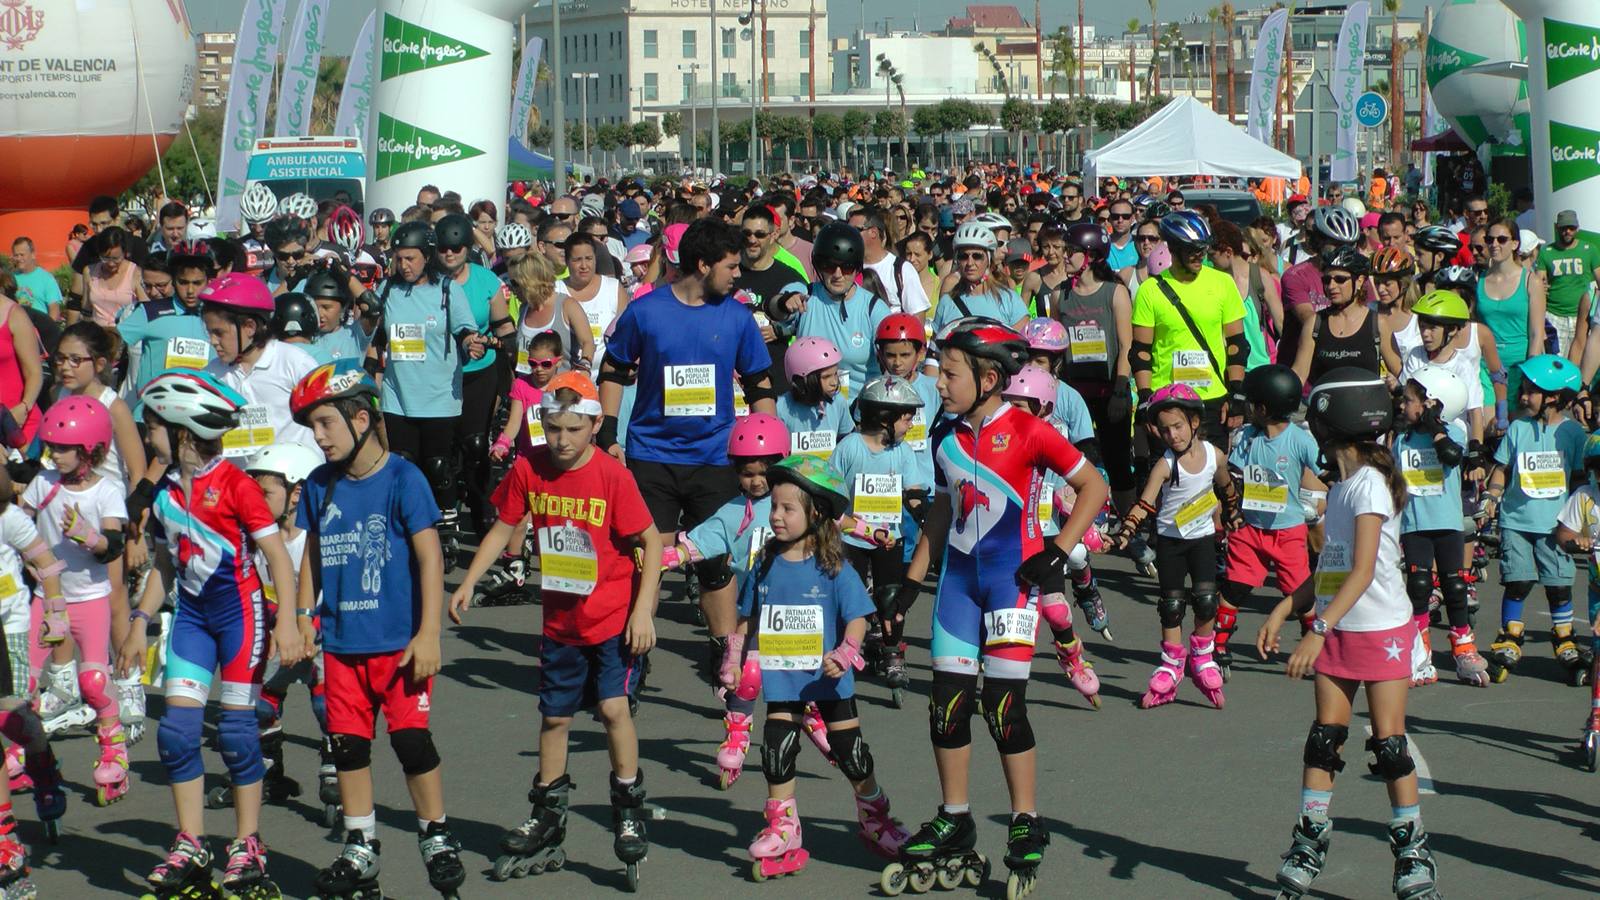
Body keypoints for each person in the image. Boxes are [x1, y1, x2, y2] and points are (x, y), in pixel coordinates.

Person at [885, 318, 1107, 900]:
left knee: (1003, 708)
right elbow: (941, 512)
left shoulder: (1029, 430)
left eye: (950, 374)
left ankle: (1025, 818)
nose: (940, 384)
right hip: (958, 586)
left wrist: (1058, 552)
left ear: (988, 378)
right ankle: (955, 817)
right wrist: (911, 583)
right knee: (945, 707)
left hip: (1013, 583)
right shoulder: (943, 434)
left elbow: (1096, 490)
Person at [448, 372, 660, 888]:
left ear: (593, 424)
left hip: (611, 615)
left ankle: (628, 804)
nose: (561, 440)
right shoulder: (529, 468)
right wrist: (470, 581)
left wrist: (643, 612)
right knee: (554, 719)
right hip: (561, 620)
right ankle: (546, 812)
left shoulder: (613, 476)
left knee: (613, 709)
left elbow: (651, 544)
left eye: (572, 429)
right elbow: (504, 524)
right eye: (552, 428)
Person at [1256, 368, 1440, 900]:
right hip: (1338, 626)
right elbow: (1331, 571)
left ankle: (1411, 852)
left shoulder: (1372, 485)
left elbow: (1363, 571)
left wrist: (1316, 629)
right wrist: (1285, 608)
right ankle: (1309, 841)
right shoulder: (1340, 489)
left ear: (1328, 421)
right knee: (1324, 740)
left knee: (1390, 746)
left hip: (1378, 630)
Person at [121, 371, 305, 898]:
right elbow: (164, 565)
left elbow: (276, 558)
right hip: (193, 620)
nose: (146, 436)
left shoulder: (237, 485)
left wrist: (289, 623)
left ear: (179, 433)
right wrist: (139, 622)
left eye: (152, 427)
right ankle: (191, 842)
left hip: (240, 618)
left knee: (237, 733)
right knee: (176, 734)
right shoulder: (164, 493)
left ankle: (248, 844)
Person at [286, 360, 464, 899]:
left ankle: (435, 832)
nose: (318, 438)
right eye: (312, 427)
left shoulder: (403, 480)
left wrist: (429, 633)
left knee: (411, 743)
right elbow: (311, 558)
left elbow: (431, 560)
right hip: (341, 646)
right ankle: (360, 842)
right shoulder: (320, 486)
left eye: (325, 424)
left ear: (361, 418)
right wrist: (299, 618)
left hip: (400, 646)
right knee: (347, 748)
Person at [599, 217, 777, 707]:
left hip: (714, 457)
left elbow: (760, 382)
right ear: (702, 265)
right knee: (645, 559)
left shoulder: (738, 317)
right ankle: (633, 653)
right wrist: (609, 432)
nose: (739, 274)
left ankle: (727, 652)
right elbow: (614, 367)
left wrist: (769, 452)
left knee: (716, 562)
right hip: (652, 455)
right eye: (731, 266)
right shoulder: (647, 312)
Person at [721, 455, 911, 880]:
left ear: (816, 513)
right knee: (776, 748)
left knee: (852, 756)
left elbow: (858, 617)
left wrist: (846, 652)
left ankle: (875, 817)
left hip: (828, 680)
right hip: (784, 678)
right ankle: (783, 827)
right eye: (774, 507)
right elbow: (747, 618)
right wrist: (733, 660)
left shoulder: (833, 566)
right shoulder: (765, 563)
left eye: (788, 508)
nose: (776, 516)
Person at [1111, 384, 1236, 709]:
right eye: (1164, 429)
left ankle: (1203, 657)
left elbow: (1226, 485)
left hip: (1202, 538)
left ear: (1194, 422)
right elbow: (1146, 502)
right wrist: (1127, 531)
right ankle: (1171, 664)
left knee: (1207, 600)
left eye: (1178, 426)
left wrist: (1234, 513)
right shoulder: (1165, 465)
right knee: (1172, 604)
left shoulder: (1213, 455)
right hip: (1170, 540)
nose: (1172, 435)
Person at [1000, 367, 1104, 707]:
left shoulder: (1049, 441)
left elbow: (1079, 486)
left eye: (1020, 407)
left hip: (1045, 536)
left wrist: (1084, 524)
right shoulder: (995, 440)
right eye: (1007, 405)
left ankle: (1071, 657)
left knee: (1056, 612)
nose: (1011, 414)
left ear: (1043, 408)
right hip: (1003, 538)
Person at [1483, 355, 1588, 685]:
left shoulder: (1571, 433)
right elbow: (1502, 467)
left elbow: (1579, 480)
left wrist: (1581, 522)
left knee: (1559, 585)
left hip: (1554, 526)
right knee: (1517, 582)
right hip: (1516, 521)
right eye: (1523, 391)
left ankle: (1565, 638)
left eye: (1530, 391)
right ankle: (1510, 639)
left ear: (1554, 396)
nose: (1523, 397)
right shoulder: (1517, 427)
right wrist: (1492, 496)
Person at [1219, 365, 1325, 681]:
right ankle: (1218, 646)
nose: (1248, 408)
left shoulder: (1299, 440)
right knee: (1234, 587)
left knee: (1300, 595)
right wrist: (1226, 508)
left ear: (1263, 408)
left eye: (1252, 403)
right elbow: (1234, 474)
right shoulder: (1248, 438)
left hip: (1288, 530)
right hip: (1249, 529)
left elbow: (1325, 468)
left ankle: (1315, 646)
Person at [831, 375, 926, 704]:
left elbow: (912, 490)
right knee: (851, 598)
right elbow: (832, 496)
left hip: (890, 539)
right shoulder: (850, 448)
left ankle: (892, 652)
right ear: (884, 417)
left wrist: (923, 512)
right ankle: (847, 647)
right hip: (853, 539)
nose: (911, 424)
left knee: (889, 598)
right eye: (907, 417)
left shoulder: (902, 452)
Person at [1393, 367, 1486, 687]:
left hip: (1446, 522)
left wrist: (1434, 426)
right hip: (1415, 523)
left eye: (1409, 401)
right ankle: (1420, 652)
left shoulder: (1454, 433)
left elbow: (1450, 457)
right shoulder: (1402, 438)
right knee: (1418, 586)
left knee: (1455, 587)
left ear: (1432, 404)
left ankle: (1463, 648)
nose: (1402, 406)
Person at [1129, 211, 1248, 448]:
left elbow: (1237, 345)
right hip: (1168, 398)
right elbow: (1141, 352)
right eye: (1191, 250)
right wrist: (1144, 399)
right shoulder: (1150, 290)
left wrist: (1236, 394)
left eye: (1202, 249)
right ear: (1173, 249)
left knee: (1216, 472)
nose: (1199, 256)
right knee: (1170, 477)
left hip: (1211, 396)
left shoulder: (1223, 283)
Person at [766, 223, 895, 399]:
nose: (837, 274)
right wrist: (783, 302)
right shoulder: (806, 294)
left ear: (857, 268)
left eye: (847, 267)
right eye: (829, 266)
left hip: (857, 407)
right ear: (819, 266)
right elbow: (773, 308)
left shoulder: (874, 308)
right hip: (808, 406)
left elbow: (895, 359)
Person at [1294, 247, 1389, 388]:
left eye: (1340, 279)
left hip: (1366, 407)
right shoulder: (1314, 323)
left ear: (1359, 281)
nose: (1331, 286)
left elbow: (1401, 372)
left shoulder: (1377, 323)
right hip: (1325, 407)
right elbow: (1298, 376)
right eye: (1327, 280)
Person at [1477, 220, 1546, 403]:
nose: (1494, 244)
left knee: (1515, 424)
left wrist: (1530, 374)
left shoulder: (1531, 282)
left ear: (1515, 244)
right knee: (1489, 425)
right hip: (1485, 367)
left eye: (1501, 239)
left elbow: (1536, 333)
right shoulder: (1478, 278)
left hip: (1518, 367)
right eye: (1489, 239)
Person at [929, 223, 1028, 335]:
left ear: (989, 260)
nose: (970, 263)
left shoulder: (1009, 300)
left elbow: (1021, 346)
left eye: (977, 256)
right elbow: (936, 349)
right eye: (963, 256)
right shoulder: (946, 302)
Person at [557, 232, 630, 367]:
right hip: (565, 376)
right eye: (577, 260)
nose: (584, 265)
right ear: (567, 262)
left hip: (605, 377)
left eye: (589, 258)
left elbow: (626, 335)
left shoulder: (613, 289)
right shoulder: (556, 290)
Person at [775, 337, 852, 461]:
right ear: (803, 379)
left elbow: (846, 440)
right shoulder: (781, 407)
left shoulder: (838, 402)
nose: (834, 382)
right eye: (826, 377)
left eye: (835, 374)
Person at [1536, 209, 1599, 359]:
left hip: (1583, 317)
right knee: (1556, 361)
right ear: (1557, 228)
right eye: (1564, 228)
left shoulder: (1590, 250)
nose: (1567, 231)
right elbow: (1540, 283)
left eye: (1571, 228)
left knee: (1583, 361)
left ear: (1577, 228)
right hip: (1554, 315)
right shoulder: (1546, 252)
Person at [9, 238, 62, 320]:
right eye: (16, 255)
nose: (19, 258)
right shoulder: (11, 277)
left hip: (39, 328)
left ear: (33, 254)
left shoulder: (46, 279)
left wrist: (48, 329)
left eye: (22, 255)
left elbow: (54, 309)